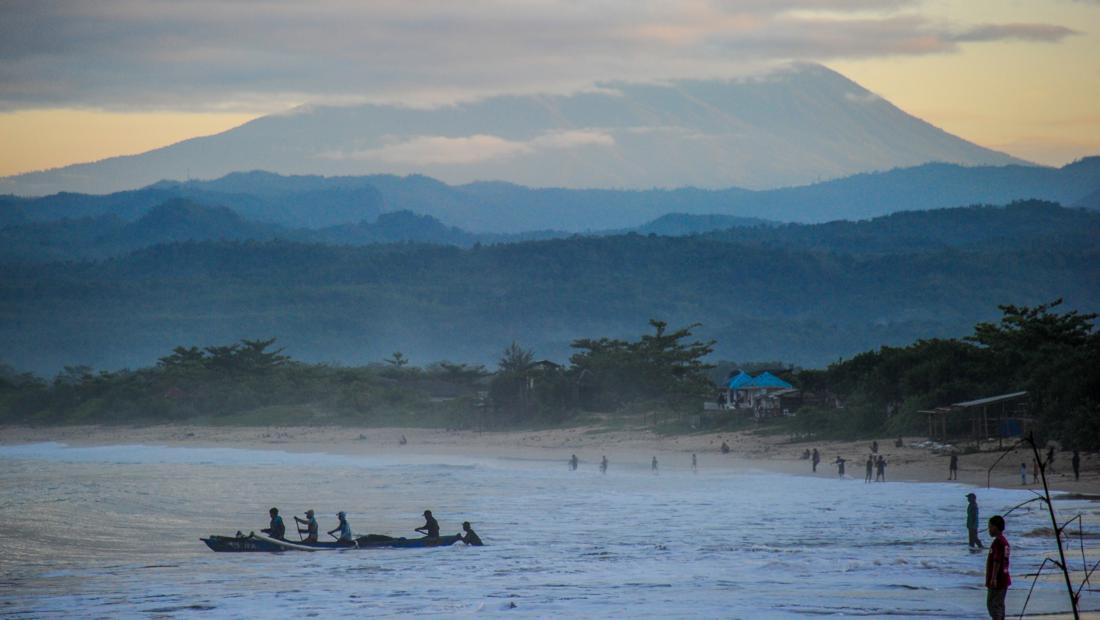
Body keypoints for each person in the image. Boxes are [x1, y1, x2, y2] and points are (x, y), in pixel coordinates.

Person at [986, 515, 1011, 620]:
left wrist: (993, 578)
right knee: (999, 605)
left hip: (998, 579)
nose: (989, 529)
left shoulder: (998, 542)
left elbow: (997, 561)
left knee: (993, 605)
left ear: (995, 527)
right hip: (1003, 578)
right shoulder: (1003, 541)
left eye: (990, 527)